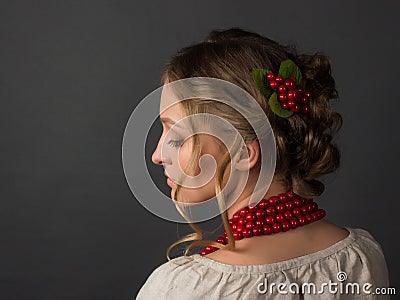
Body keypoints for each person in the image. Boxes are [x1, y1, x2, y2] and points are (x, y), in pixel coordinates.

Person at [136, 27, 390, 299]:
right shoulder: (361, 257)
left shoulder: (184, 289)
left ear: (244, 153)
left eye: (177, 135)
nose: (158, 155)